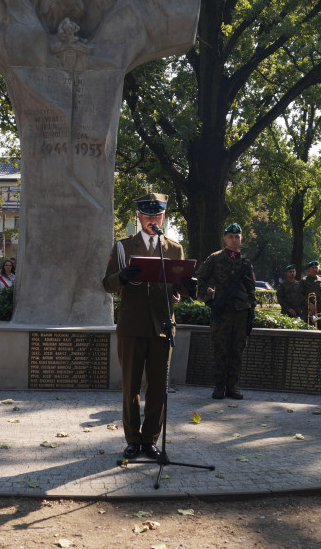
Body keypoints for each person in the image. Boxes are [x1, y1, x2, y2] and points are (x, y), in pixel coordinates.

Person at [102, 193, 185, 460]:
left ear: (163, 217)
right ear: (138, 217)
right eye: (147, 215)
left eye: (157, 215)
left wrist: (185, 286)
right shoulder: (123, 246)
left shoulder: (173, 248)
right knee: (131, 387)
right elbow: (106, 283)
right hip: (132, 324)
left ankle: (150, 439)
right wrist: (121, 278)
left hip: (162, 325)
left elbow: (176, 286)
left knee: (159, 387)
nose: (153, 219)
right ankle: (133, 439)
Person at [197, 223, 256, 400]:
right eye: (231, 236)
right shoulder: (215, 258)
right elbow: (200, 278)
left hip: (240, 312)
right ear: (224, 238)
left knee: (237, 350)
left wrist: (251, 311)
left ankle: (232, 386)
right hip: (221, 311)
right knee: (220, 349)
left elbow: (251, 289)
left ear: (241, 238)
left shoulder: (245, 262)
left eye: (237, 236)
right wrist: (209, 299)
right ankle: (219, 386)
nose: (234, 239)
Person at [298, 260, 321, 326]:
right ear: (309, 269)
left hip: (319, 311)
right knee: (307, 330)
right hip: (307, 311)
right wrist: (309, 304)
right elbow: (299, 295)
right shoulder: (303, 281)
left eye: (316, 267)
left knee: (320, 330)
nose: (314, 269)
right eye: (312, 268)